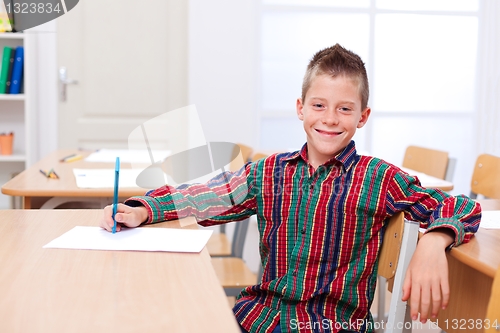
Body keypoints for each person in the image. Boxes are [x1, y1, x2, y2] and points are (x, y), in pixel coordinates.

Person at [100, 44, 481, 333]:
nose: (330, 119)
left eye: (345, 109)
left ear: (362, 117)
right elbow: (204, 197)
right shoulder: (268, 173)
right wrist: (144, 208)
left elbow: (461, 206)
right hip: (260, 317)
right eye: (319, 105)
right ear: (301, 108)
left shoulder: (376, 179)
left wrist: (434, 240)